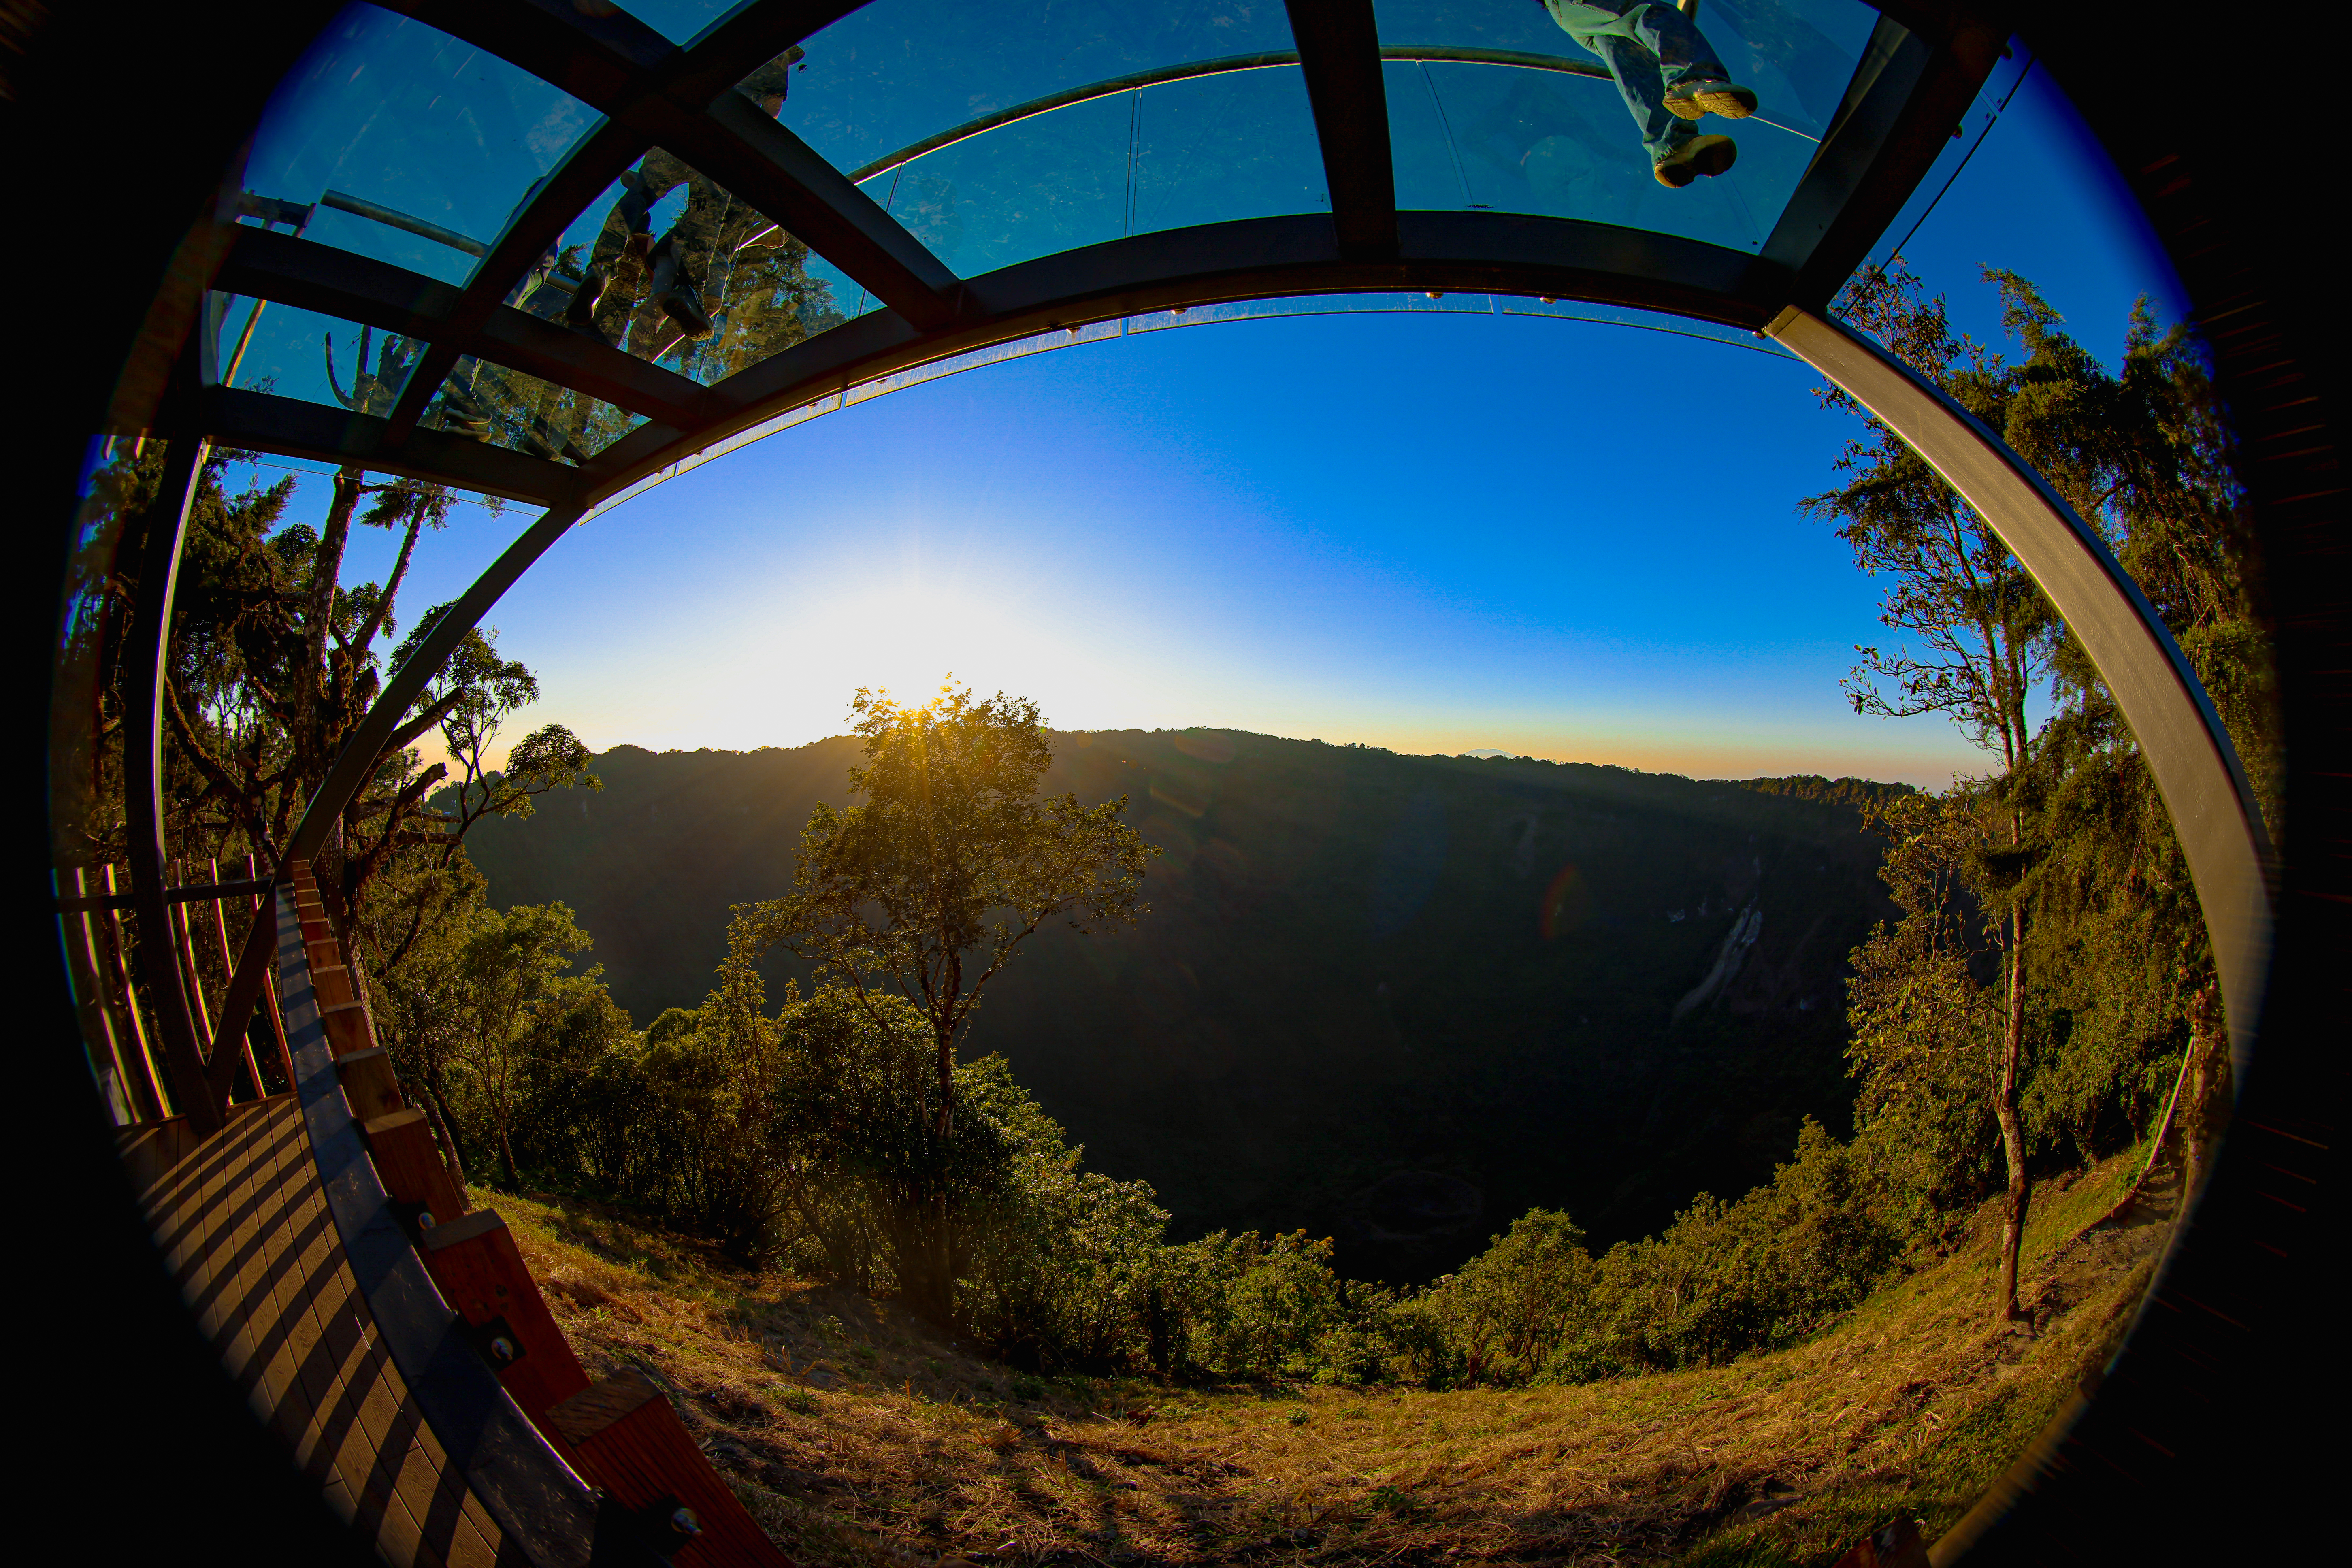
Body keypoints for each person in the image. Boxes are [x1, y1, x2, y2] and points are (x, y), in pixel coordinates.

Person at [565, 47, 805, 351]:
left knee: (641, 192)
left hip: (677, 127)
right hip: (716, 142)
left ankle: (599, 271)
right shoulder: (776, 58)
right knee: (709, 216)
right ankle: (689, 288)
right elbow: (770, 114)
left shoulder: (717, 52)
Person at [1536, 0, 1760, 187]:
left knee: (1635, 63)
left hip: (1571, 14)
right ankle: (1693, 79)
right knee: (1650, 14)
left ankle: (1674, 145)